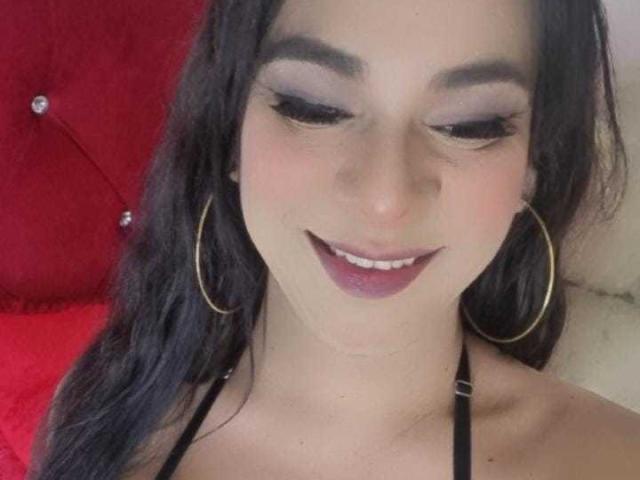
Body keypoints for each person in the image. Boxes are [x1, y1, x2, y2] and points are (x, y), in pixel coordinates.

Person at [28, 0, 640, 479]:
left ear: (532, 166)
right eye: (314, 107)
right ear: (231, 129)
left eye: (467, 125)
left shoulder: (612, 460)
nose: (384, 198)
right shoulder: (104, 410)